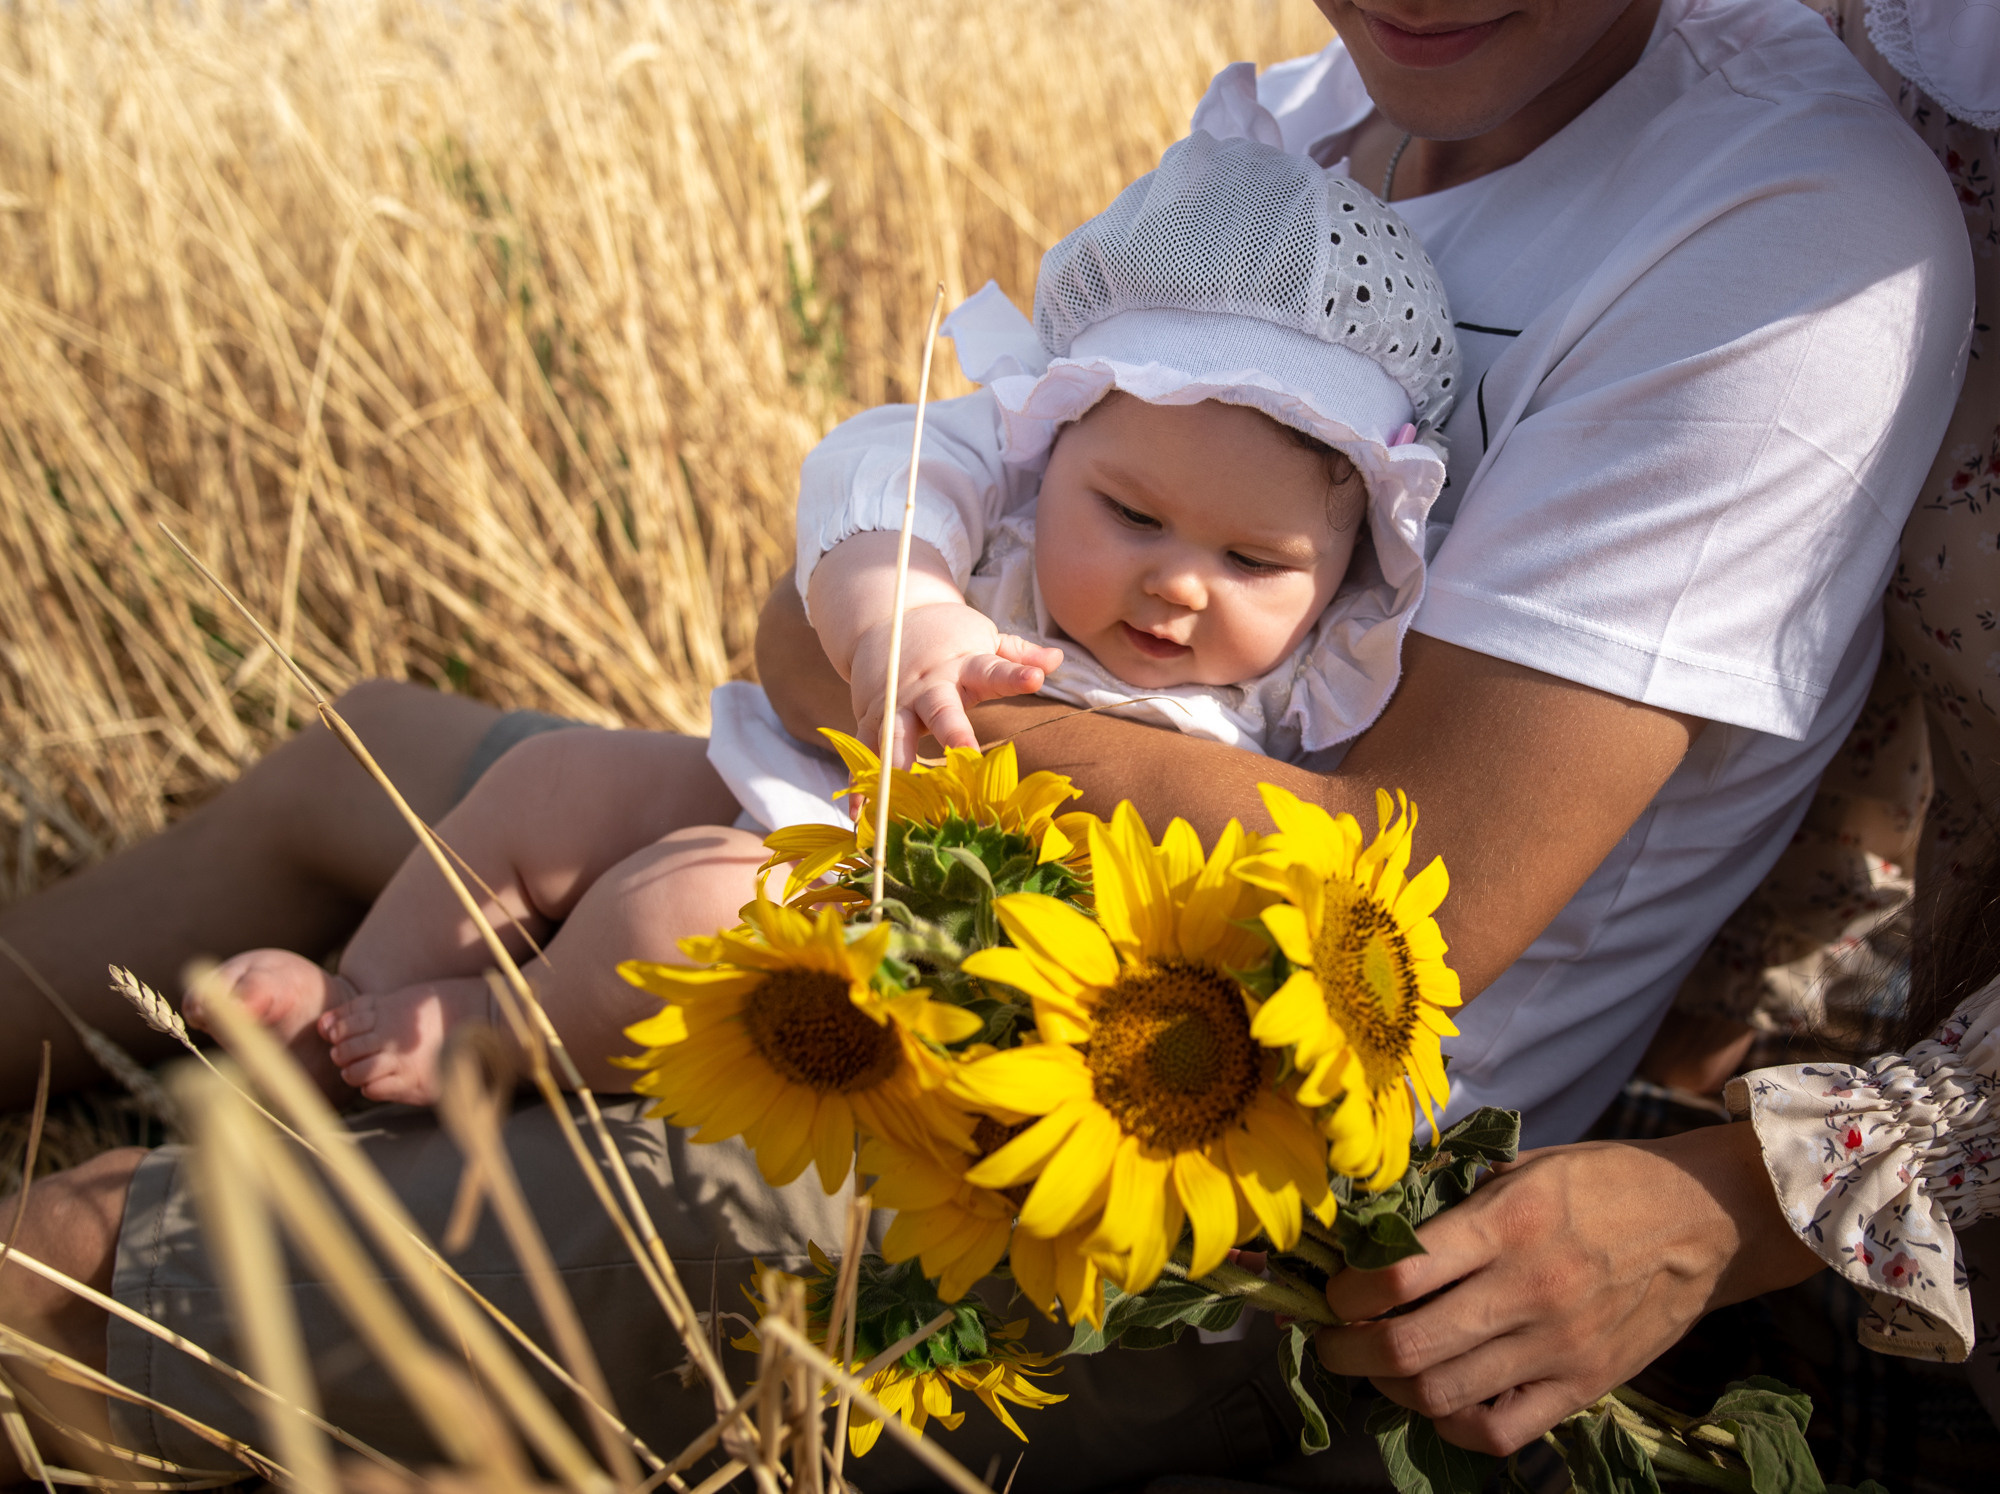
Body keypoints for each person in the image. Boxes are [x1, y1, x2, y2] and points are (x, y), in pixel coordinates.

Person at [0, 0, 1974, 1486]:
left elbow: (1401, 904)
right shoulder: (1283, 129)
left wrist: (892, 680)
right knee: (356, 759)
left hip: (1151, 1161)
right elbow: (864, 585)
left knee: (66, 1284)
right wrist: (878, 644)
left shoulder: (1780, 232)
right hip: (937, 890)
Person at [186, 131, 1461, 1109]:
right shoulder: (996, 497)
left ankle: (496, 1036)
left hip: (911, 923)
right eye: (1129, 517)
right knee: (549, 784)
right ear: (1052, 445)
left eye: (1250, 558)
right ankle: (358, 987)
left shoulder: (1306, 695)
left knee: (672, 918)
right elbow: (875, 483)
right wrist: (900, 619)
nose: (1178, 584)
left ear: (1347, 568)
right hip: (795, 778)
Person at [1307, 0, 2000, 1466]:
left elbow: (1408, 886)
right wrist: (1678, 1057)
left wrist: (1754, 1194)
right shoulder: (1894, 68)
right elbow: (1865, 665)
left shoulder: (1814, 194)